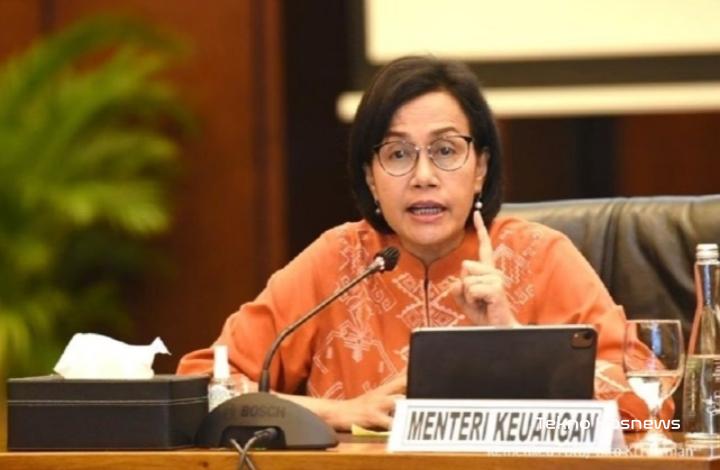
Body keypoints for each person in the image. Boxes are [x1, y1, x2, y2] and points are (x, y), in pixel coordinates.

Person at [178, 56, 673, 431]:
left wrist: (515, 340)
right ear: (370, 178)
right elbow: (204, 387)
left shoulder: (541, 257)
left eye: (445, 150)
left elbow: (651, 408)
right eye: (397, 154)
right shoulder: (339, 261)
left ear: (480, 168)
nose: (423, 176)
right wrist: (339, 411)